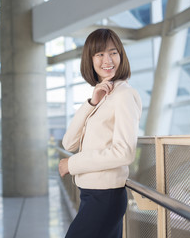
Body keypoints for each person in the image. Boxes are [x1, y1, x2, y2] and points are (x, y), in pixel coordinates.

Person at [58, 28, 142, 238]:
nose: (108, 60)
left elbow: (124, 152)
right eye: (99, 54)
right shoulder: (103, 96)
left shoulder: (124, 94)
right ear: (90, 59)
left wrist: (72, 164)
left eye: (113, 52)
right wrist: (91, 103)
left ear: (121, 56)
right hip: (91, 194)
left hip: (105, 196)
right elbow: (68, 143)